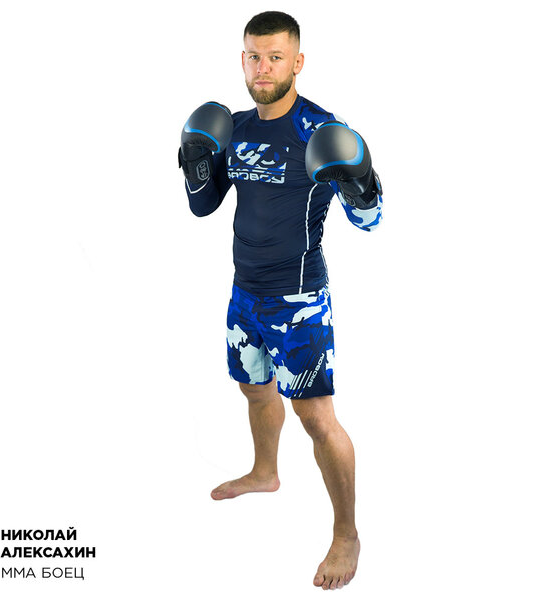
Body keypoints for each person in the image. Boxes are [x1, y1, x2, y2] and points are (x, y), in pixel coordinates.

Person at [178, 11, 383, 590]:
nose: (262, 68)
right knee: (253, 388)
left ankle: (347, 533)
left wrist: (362, 181)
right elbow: (203, 206)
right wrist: (196, 164)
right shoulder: (234, 127)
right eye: (253, 56)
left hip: (299, 302)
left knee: (316, 417)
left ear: (297, 62)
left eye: (274, 57)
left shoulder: (321, 132)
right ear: (242, 59)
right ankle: (265, 472)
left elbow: (370, 221)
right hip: (244, 294)